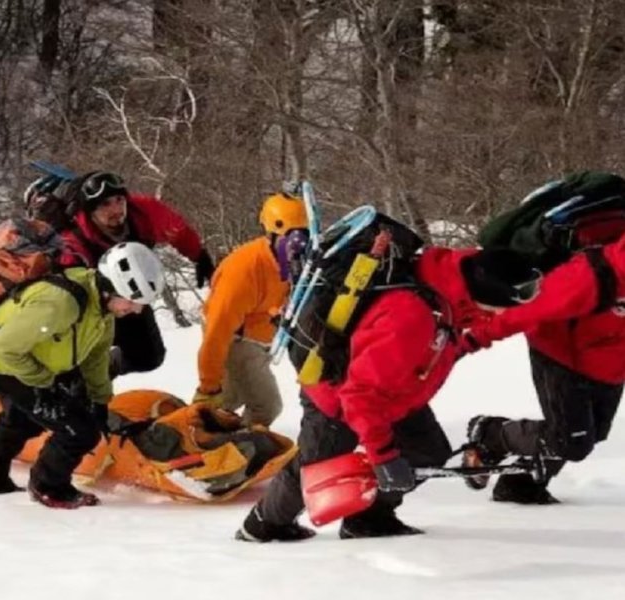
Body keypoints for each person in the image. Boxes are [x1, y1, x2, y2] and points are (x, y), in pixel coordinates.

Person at [235, 212, 542, 542]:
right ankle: (262, 525)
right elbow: (359, 395)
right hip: (337, 394)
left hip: (396, 393)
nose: (510, 310)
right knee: (318, 463)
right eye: (510, 301)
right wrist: (382, 457)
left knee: (426, 452)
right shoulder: (411, 316)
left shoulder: (450, 284)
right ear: (490, 293)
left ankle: (369, 518)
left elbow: (449, 336)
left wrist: (469, 341)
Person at [0, 241, 166, 508]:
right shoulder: (61, 304)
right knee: (78, 430)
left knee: (25, 418)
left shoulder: (101, 309)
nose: (137, 311)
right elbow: (5, 348)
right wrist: (42, 385)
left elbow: (96, 357)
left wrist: (100, 401)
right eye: (132, 301)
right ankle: (48, 486)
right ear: (109, 289)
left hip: (29, 361)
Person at [464, 232, 625, 504]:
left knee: (592, 433)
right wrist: (474, 337)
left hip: (610, 361)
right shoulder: (595, 274)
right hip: (560, 354)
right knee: (572, 440)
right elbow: (528, 308)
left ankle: (519, 484)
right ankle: (492, 434)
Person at [59, 171, 214, 376]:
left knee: (149, 357)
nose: (116, 209)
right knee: (79, 366)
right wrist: (104, 302)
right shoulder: (72, 240)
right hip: (92, 305)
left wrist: (199, 256)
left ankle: (108, 368)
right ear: (90, 212)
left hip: (133, 295)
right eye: (105, 204)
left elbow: (177, 230)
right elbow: (65, 285)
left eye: (119, 200)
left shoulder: (143, 213)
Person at [193, 193, 309, 427]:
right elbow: (217, 331)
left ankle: (201, 432)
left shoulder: (287, 262)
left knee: (230, 398)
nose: (298, 246)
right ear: (273, 233)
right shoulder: (244, 271)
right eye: (292, 238)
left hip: (257, 340)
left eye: (304, 237)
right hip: (237, 341)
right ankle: (241, 451)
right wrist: (208, 384)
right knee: (266, 405)